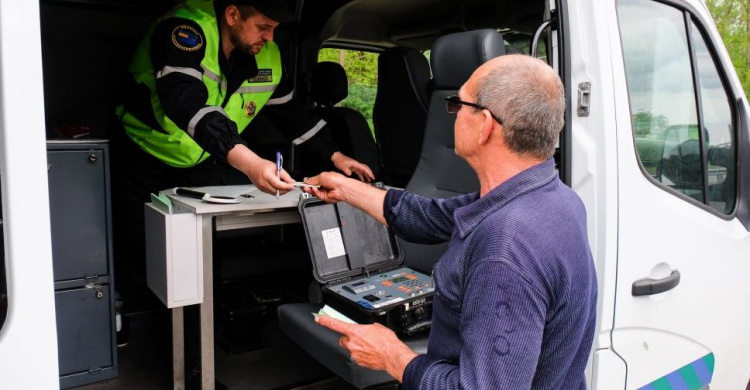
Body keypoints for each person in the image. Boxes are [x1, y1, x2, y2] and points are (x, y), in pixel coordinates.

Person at [304, 54, 598, 389]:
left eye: (458, 103)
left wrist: (393, 357)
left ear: (485, 124)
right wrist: (344, 187)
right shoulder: (551, 198)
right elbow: (429, 216)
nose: (453, 113)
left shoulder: (505, 246)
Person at [111, 0, 374, 310]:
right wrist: (250, 163)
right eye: (263, 27)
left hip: (200, 158)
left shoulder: (268, 57)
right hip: (143, 153)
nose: (270, 39)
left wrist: (335, 155)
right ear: (232, 15)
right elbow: (185, 100)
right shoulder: (186, 29)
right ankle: (143, 324)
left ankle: (202, 326)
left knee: (200, 253)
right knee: (147, 251)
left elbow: (291, 115)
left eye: (274, 30)